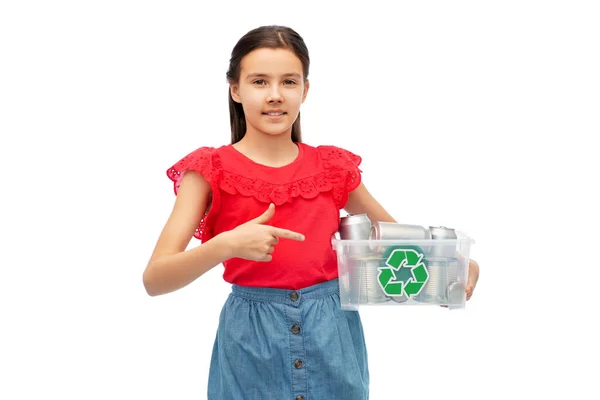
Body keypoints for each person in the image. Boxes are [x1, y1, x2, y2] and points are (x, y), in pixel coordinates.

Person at [143, 25, 480, 400]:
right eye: (259, 82)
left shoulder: (332, 168)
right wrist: (225, 244)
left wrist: (453, 263)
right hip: (250, 343)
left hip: (332, 336)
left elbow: (394, 241)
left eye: (288, 82)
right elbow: (155, 280)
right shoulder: (209, 170)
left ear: (304, 90)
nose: (274, 95)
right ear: (235, 89)